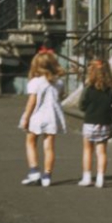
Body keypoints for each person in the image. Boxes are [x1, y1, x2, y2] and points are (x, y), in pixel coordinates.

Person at [18, 48, 67, 187]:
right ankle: (47, 176)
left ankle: (34, 172)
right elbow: (61, 96)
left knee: (31, 142)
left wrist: (25, 118)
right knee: (49, 146)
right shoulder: (59, 82)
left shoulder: (35, 82)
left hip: (37, 116)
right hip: (53, 116)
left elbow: (31, 102)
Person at [78, 58, 112, 188]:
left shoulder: (88, 89)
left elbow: (81, 105)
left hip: (90, 122)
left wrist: (89, 109)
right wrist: (110, 109)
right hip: (105, 122)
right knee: (101, 151)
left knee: (87, 150)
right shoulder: (111, 90)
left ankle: (87, 177)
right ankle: (100, 178)